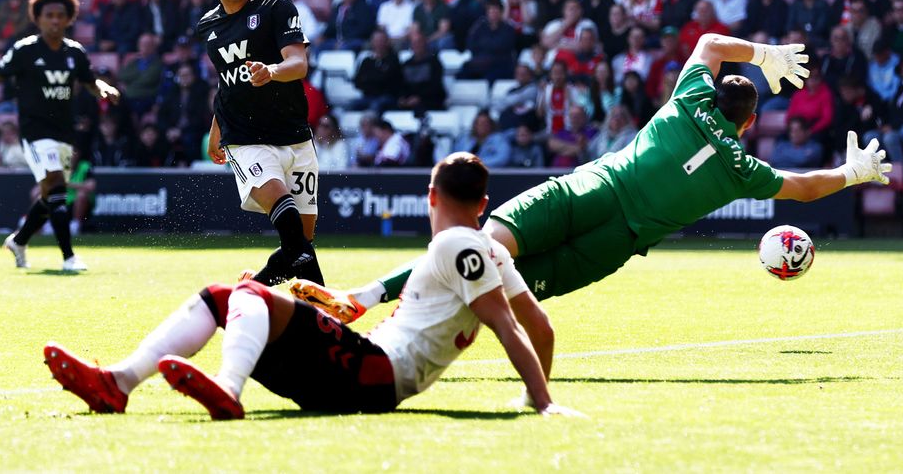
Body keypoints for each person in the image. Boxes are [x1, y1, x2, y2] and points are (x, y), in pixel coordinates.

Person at [290, 34, 892, 323]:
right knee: (501, 289)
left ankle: (365, 297)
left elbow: (709, 42)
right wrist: (854, 171)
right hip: (615, 241)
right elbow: (807, 188)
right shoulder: (745, 172)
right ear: (753, 121)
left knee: (479, 248)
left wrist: (762, 55)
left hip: (590, 188)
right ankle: (398, 327)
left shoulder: (689, 101)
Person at [42, 153, 578, 419]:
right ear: (483, 205)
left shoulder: (454, 245)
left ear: (430, 195)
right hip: (372, 372)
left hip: (376, 373)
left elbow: (507, 326)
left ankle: (226, 392)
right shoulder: (488, 249)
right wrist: (538, 400)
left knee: (245, 297)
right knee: (223, 298)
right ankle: (118, 383)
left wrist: (545, 402)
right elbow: (540, 327)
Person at [196, 0, 324, 287]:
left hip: (294, 135)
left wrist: (271, 71)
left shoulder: (275, 5)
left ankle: (252, 289)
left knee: (301, 243)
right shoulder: (207, 27)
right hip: (245, 137)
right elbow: (229, 83)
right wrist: (217, 130)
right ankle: (326, 316)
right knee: (291, 227)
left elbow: (298, 64)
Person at [0, 0, 121, 271]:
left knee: (51, 195)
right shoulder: (25, 50)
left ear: (69, 18)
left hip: (64, 132)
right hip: (35, 132)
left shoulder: (74, 53)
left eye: (60, 15)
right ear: (37, 19)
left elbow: (89, 81)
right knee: (56, 184)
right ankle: (69, 257)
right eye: (48, 15)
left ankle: (19, 240)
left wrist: (104, 88)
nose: (54, 20)